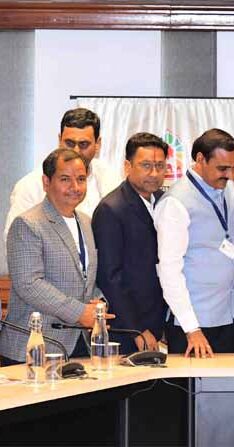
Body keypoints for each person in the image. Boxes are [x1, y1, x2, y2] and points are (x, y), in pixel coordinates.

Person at [0, 149, 112, 364]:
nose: (75, 187)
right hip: (35, 346)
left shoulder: (86, 222)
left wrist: (98, 303)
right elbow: (29, 284)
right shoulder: (27, 223)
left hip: (79, 344)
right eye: (65, 179)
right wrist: (80, 312)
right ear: (46, 182)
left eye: (81, 179)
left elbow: (86, 277)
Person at [154, 129, 234, 358]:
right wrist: (191, 328)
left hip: (230, 316)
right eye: (222, 168)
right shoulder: (175, 203)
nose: (230, 175)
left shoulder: (228, 188)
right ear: (200, 159)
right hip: (194, 325)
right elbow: (169, 271)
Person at [92, 133, 168, 354]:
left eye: (160, 166)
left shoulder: (165, 201)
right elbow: (110, 277)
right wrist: (136, 329)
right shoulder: (111, 209)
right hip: (128, 329)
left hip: (159, 320)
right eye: (146, 165)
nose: (154, 173)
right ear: (127, 166)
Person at [4, 108, 120, 241]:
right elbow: (15, 239)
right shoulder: (30, 186)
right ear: (60, 140)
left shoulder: (111, 180)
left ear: (97, 144)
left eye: (83, 144)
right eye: (69, 143)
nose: (76, 151)